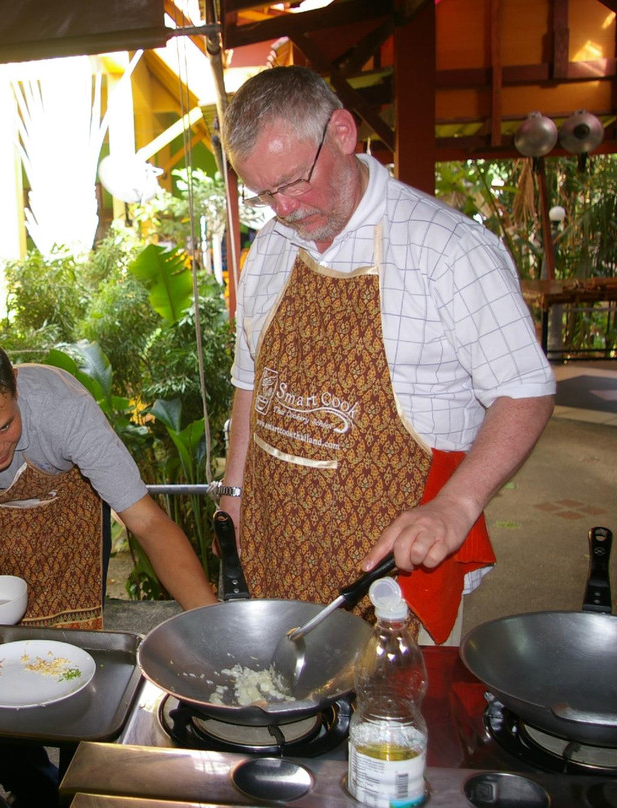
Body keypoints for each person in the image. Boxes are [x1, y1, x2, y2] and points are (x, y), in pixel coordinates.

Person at [217, 66, 555, 645]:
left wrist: (457, 504)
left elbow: (524, 388)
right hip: (275, 561)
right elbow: (250, 382)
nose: (285, 208)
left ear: (343, 134)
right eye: (265, 193)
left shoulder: (447, 248)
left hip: (396, 582)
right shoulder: (272, 247)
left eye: (295, 181)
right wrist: (233, 493)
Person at [0, 332, 217, 806]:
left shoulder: (65, 408)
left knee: (77, 658)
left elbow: (145, 520)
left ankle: (75, 783)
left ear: (15, 388)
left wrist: (211, 624)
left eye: (5, 426)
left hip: (70, 506)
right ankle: (35, 789)